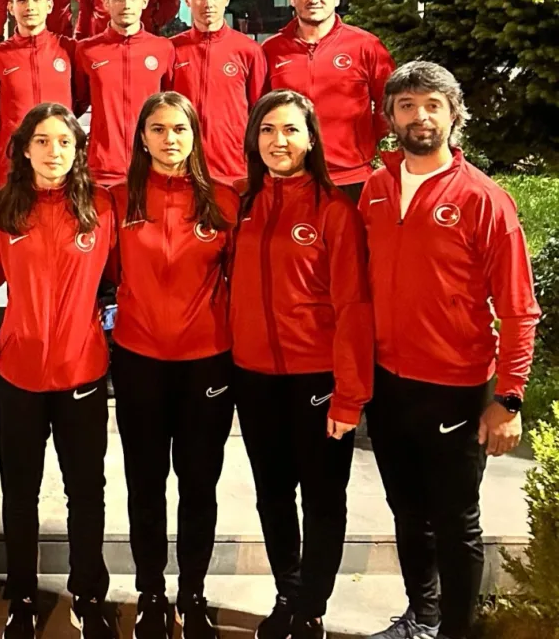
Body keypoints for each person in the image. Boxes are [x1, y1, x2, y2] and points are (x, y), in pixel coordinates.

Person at [360, 62, 539, 639]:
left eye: (432, 105)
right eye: (407, 105)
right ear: (390, 118)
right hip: (388, 383)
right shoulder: (376, 189)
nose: (420, 116)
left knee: (456, 522)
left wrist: (509, 398)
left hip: (455, 387)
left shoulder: (484, 198)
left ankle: (456, 631)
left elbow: (519, 308)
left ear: (454, 114)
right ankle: (422, 616)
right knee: (408, 512)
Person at [230, 90, 372, 639]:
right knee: (272, 495)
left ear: (310, 139)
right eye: (267, 130)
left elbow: (354, 306)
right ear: (254, 139)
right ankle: (287, 594)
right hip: (254, 378)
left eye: (290, 129)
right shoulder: (242, 204)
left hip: (317, 379)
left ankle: (312, 606)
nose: (278, 141)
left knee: (321, 497)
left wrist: (349, 395)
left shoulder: (334, 209)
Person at [107, 93, 238, 639]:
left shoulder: (224, 200)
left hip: (207, 365)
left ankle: (193, 593)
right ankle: (151, 593)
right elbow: (103, 273)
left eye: (179, 128)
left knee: (199, 484)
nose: (169, 139)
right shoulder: (118, 199)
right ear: (142, 137)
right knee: (145, 484)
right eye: (158, 129)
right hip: (138, 361)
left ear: (194, 135)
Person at [0, 103, 116, 639]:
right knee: (20, 494)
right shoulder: (3, 210)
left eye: (64, 142)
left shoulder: (102, 207)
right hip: (19, 374)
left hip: (81, 374)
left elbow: (116, 278)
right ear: (24, 149)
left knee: (85, 491)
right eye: (42, 141)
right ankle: (21, 595)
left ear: (78, 150)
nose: (53, 151)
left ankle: (88, 594)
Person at [263, 0, 395, 200]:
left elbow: (391, 104)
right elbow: (259, 111)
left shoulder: (366, 46)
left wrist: (363, 141)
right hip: (291, 177)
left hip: (352, 179)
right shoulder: (271, 50)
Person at [75, 0, 174, 186]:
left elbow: (171, 106)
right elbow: (77, 102)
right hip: (102, 169)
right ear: (106, 3)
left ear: (145, 2)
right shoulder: (86, 50)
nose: (126, 5)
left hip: (152, 167)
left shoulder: (163, 49)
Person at [170, 0, 266, 186]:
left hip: (234, 169)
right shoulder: (171, 50)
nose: (208, 4)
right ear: (187, 0)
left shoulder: (249, 51)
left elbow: (260, 113)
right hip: (182, 169)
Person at [0, 0, 80, 182]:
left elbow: (81, 97)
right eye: (21, 0)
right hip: (13, 161)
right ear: (11, 8)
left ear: (49, 6)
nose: (30, 7)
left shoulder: (69, 49)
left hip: (58, 158)